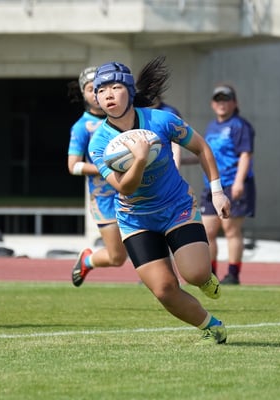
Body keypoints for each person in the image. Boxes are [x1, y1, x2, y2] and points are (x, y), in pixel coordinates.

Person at [88, 57, 231, 344]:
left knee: (195, 273)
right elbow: (125, 188)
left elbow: (201, 148)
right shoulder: (99, 143)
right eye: (101, 90)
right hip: (136, 219)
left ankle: (205, 278)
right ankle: (211, 326)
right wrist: (140, 159)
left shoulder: (161, 120)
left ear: (130, 91)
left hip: (176, 207)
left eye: (115, 87)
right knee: (164, 289)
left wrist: (217, 192)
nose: (108, 95)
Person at [67, 66, 128, 286]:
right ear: (83, 94)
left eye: (99, 88)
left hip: (132, 192)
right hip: (104, 198)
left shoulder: (126, 118)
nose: (95, 93)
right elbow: (73, 166)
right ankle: (87, 260)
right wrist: (109, 168)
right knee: (117, 257)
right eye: (90, 89)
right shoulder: (82, 127)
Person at [201, 84, 256, 285]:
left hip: (233, 183)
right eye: (218, 100)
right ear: (212, 104)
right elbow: (208, 155)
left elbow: (245, 155)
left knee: (231, 230)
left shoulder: (240, 125)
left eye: (226, 99)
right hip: (213, 185)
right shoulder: (211, 126)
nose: (222, 103)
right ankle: (210, 274)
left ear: (235, 103)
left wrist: (239, 182)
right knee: (207, 231)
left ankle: (233, 274)